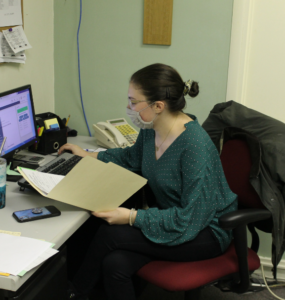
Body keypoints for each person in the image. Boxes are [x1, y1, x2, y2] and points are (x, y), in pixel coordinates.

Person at [59, 63, 238, 300]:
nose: (128, 107)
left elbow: (190, 218)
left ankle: (72, 294)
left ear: (158, 106)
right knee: (115, 264)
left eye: (134, 102)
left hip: (206, 231)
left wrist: (132, 217)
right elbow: (131, 159)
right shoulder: (150, 128)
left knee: (110, 234)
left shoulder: (195, 145)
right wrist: (88, 154)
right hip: (176, 220)